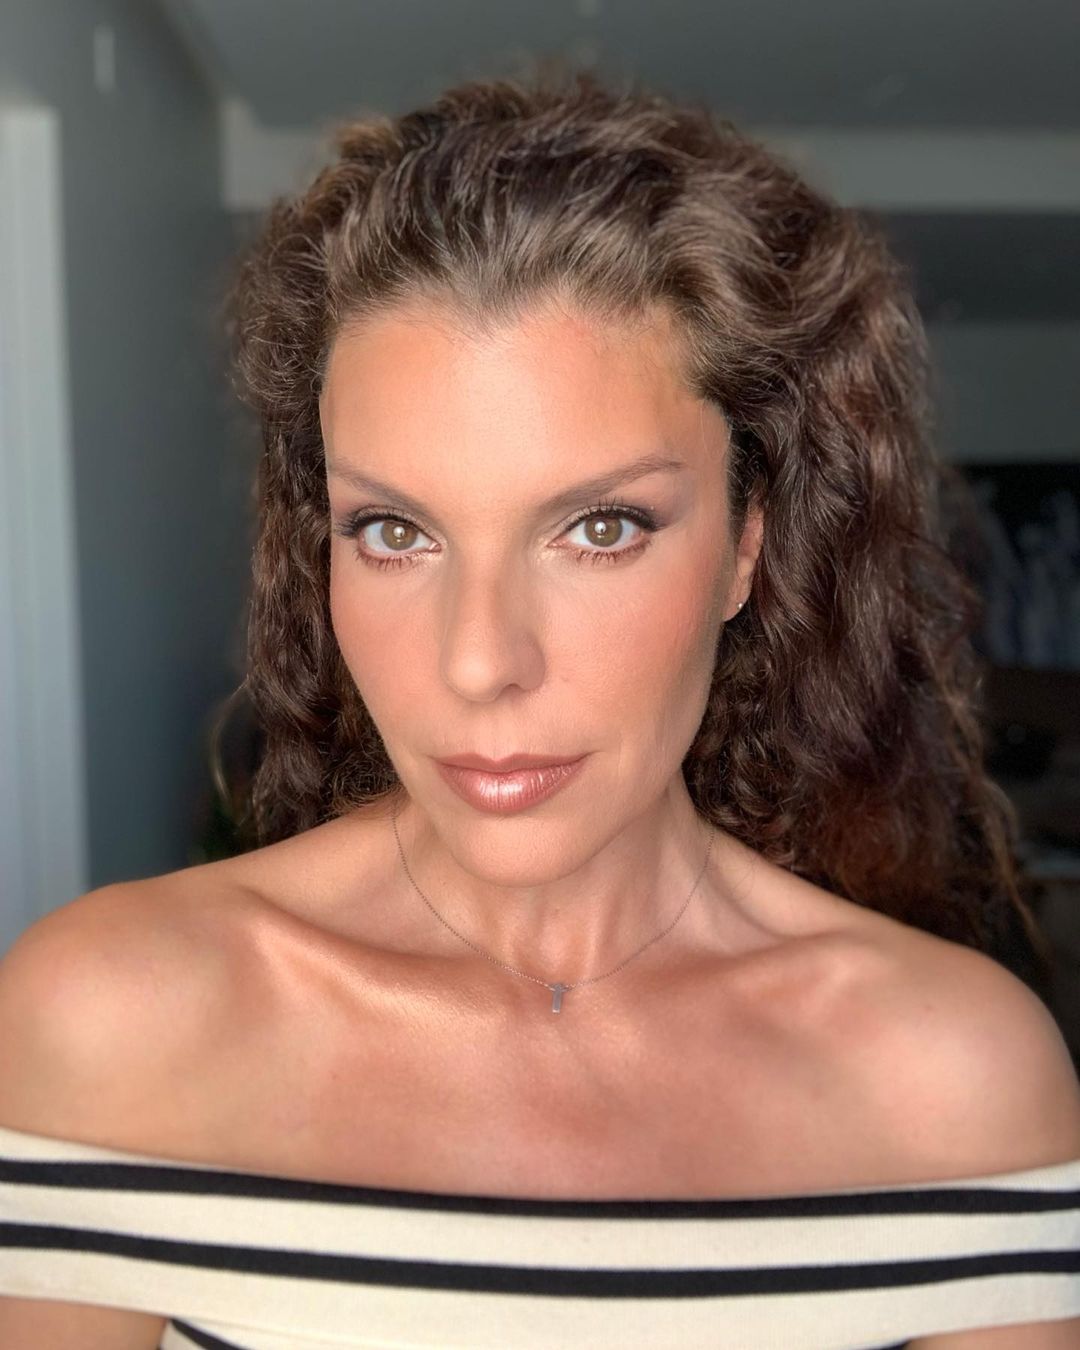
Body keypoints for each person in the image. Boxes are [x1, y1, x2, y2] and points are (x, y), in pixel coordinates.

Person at [0, 69, 1077, 1350]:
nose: (480, 662)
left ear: (746, 545)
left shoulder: (955, 1082)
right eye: (394, 531)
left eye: (600, 528)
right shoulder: (116, 1021)